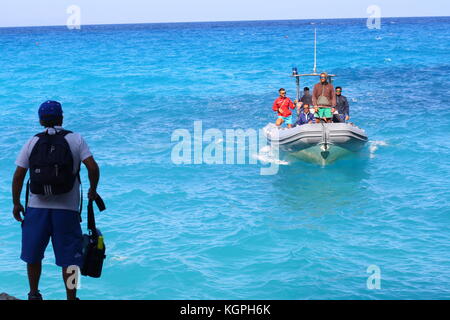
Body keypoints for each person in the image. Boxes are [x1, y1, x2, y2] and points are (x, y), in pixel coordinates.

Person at [12, 100, 100, 300]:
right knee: (72, 259)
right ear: (61, 117)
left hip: (36, 209)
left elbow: (18, 175)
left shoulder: (33, 141)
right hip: (67, 211)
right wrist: (93, 191)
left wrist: (16, 203)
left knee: (33, 256)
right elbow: (93, 168)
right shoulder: (76, 139)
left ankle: (34, 294)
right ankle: (71, 298)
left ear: (41, 120)